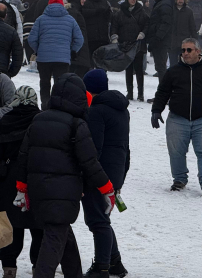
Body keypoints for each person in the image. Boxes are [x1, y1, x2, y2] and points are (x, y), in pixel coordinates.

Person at [15, 73, 116, 278]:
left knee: (62, 234)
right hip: (63, 193)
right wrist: (107, 188)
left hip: (38, 191)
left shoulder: (38, 119)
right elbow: (90, 162)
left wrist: (21, 187)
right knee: (54, 240)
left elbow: (23, 156)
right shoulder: (76, 124)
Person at [151, 38, 202, 194]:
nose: (185, 53)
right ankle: (179, 179)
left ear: (198, 51)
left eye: (189, 50)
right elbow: (162, 92)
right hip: (177, 118)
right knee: (176, 151)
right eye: (183, 50)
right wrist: (156, 110)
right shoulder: (173, 71)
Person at [0, 86, 43, 278]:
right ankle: (39, 267)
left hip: (9, 182)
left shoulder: (6, 121)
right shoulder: (42, 121)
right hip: (37, 181)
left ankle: (9, 268)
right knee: (39, 228)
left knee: (12, 227)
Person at [82, 70, 130, 278]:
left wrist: (87, 172)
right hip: (117, 169)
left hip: (100, 172)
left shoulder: (97, 111)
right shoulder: (120, 109)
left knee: (97, 221)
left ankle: (101, 267)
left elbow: (95, 148)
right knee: (103, 218)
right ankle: (115, 263)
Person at [28, 0, 84, 107]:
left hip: (44, 58)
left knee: (44, 83)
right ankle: (57, 107)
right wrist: (72, 51)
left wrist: (38, 50)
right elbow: (79, 39)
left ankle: (45, 105)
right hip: (62, 59)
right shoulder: (70, 20)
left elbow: (31, 39)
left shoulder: (41, 19)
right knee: (60, 84)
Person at [111, 0, 148, 101]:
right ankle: (130, 93)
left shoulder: (141, 11)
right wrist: (114, 36)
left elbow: (147, 24)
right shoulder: (120, 13)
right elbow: (115, 26)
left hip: (138, 44)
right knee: (128, 69)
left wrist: (143, 33)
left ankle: (140, 93)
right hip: (125, 44)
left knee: (139, 69)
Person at [146, 0, 174, 82]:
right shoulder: (160, 2)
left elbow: (165, 23)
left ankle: (163, 95)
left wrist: (156, 38)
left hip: (161, 42)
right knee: (160, 68)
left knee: (161, 68)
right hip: (160, 41)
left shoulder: (165, 4)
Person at [82, 0, 112, 66]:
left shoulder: (104, 2)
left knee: (102, 66)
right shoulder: (85, 2)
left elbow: (110, 17)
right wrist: (96, 12)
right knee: (89, 66)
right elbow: (83, 13)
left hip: (102, 39)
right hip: (89, 40)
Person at [66, 0, 91, 79]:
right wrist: (75, 52)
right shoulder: (74, 12)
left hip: (79, 52)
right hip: (78, 54)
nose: (84, 0)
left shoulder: (77, 11)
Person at [168, 0, 197, 66]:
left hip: (184, 42)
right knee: (173, 64)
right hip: (172, 42)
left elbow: (192, 27)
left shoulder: (188, 11)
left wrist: (194, 40)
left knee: (184, 64)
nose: (180, 1)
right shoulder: (171, 10)